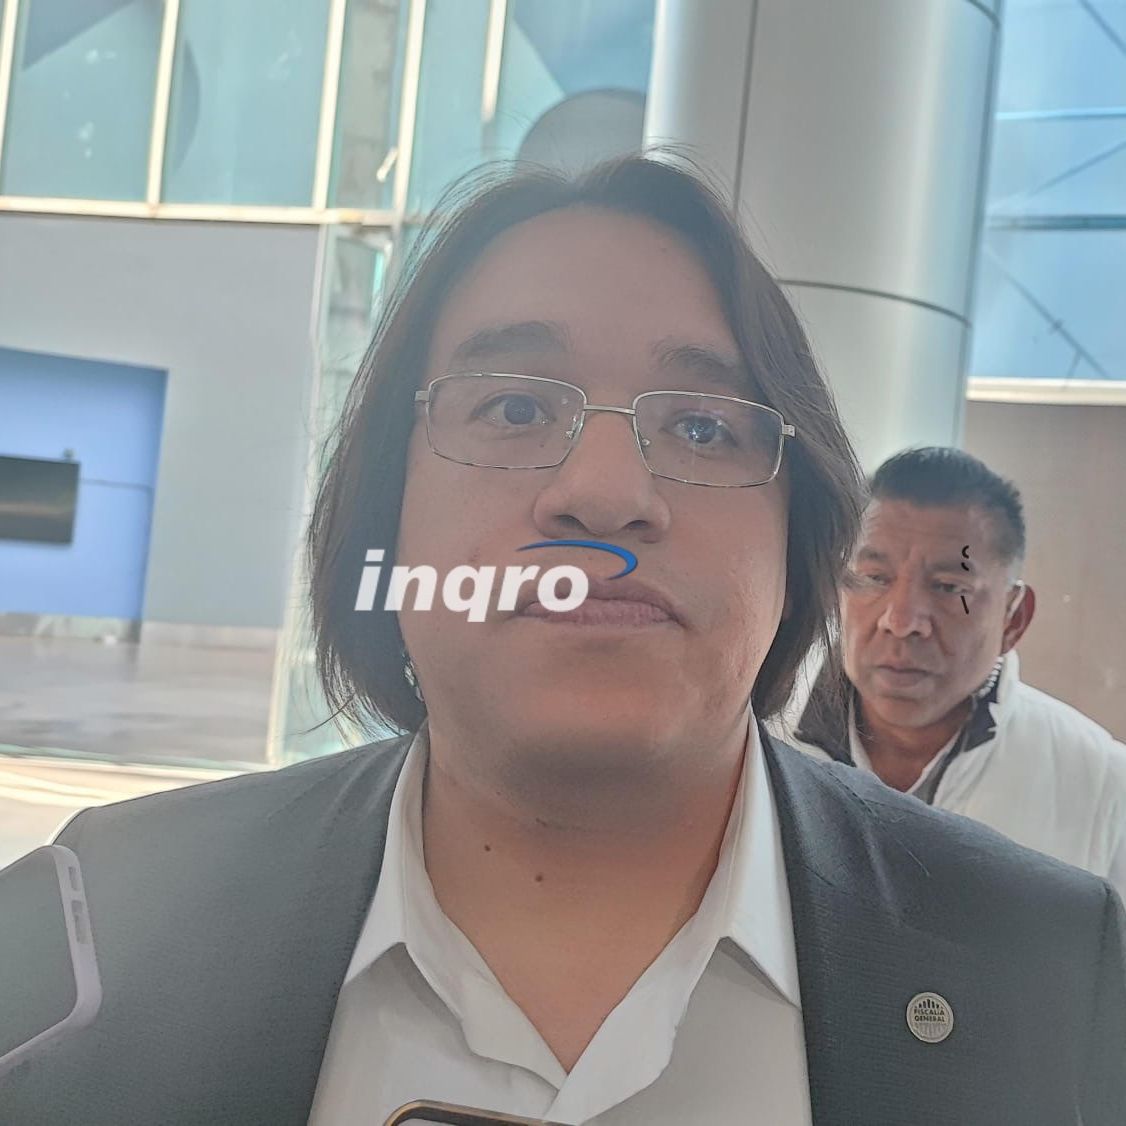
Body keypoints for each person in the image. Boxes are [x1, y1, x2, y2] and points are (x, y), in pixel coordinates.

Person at [2, 158, 1123, 1125]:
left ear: (798, 544)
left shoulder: (1060, 980)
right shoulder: (98, 934)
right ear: (388, 509)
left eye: (701, 426)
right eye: (514, 409)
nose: (604, 492)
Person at [789, 447, 1126, 903]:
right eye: (874, 577)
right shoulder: (758, 737)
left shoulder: (1101, 786)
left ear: (1013, 618)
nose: (901, 621)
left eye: (949, 587)